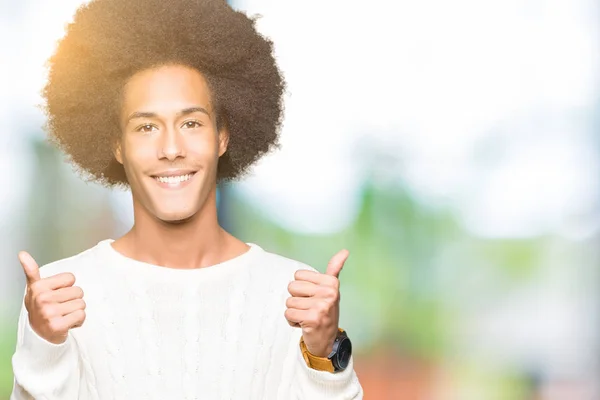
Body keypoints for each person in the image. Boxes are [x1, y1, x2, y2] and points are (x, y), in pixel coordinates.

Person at [9, 0, 363, 399]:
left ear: (222, 135)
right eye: (146, 127)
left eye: (191, 123)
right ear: (117, 145)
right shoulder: (60, 295)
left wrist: (324, 351)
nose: (171, 147)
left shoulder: (293, 293)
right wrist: (46, 345)